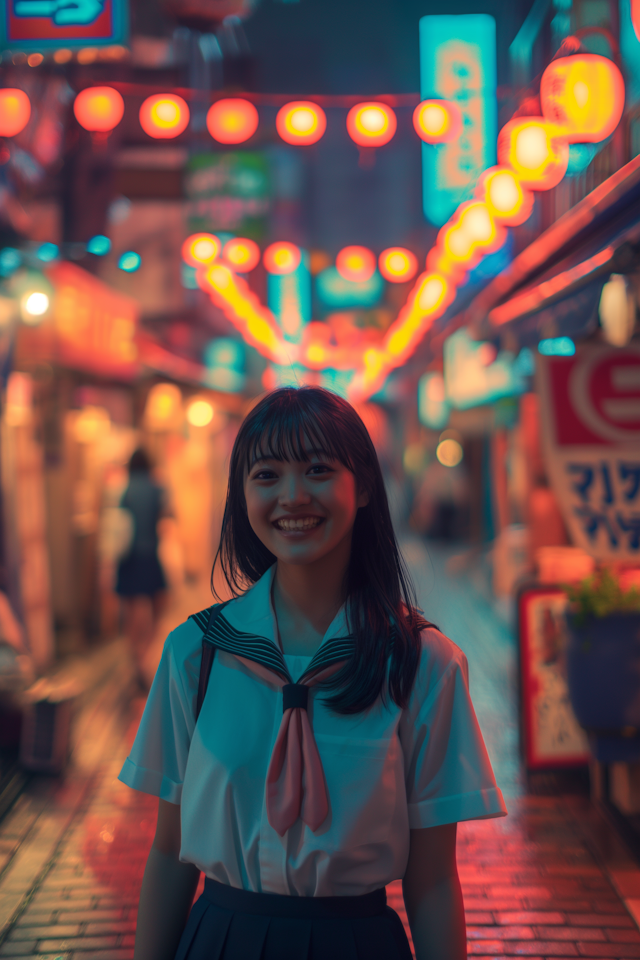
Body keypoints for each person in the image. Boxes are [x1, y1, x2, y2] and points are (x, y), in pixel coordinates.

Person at [118, 387, 506, 960]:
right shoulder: (194, 654)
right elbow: (168, 853)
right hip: (221, 942)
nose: (292, 497)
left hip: (358, 943)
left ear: (365, 485)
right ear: (242, 494)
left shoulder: (422, 664)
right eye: (266, 475)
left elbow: (435, 880)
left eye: (319, 470)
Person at [115, 448, 167, 688]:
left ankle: (133, 654)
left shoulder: (125, 490)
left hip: (126, 558)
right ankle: (144, 652)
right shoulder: (157, 488)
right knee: (157, 607)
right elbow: (167, 517)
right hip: (149, 556)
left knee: (131, 609)